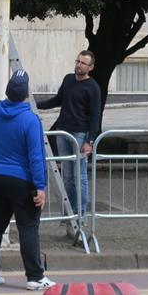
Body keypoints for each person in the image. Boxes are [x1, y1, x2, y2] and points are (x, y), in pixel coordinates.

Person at [0, 70, 55, 291]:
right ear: (27, 94)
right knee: (28, 228)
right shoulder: (30, 120)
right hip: (22, 181)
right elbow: (36, 156)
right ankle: (35, 277)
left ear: (8, 92)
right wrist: (40, 187)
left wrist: (3, 102)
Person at [36, 50, 102, 223]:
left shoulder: (93, 87)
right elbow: (58, 100)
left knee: (79, 176)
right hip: (63, 132)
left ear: (91, 67)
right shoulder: (68, 79)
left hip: (80, 135)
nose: (79, 65)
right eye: (78, 61)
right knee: (67, 175)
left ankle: (80, 215)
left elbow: (95, 116)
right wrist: (35, 105)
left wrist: (89, 140)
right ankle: (68, 214)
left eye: (83, 63)